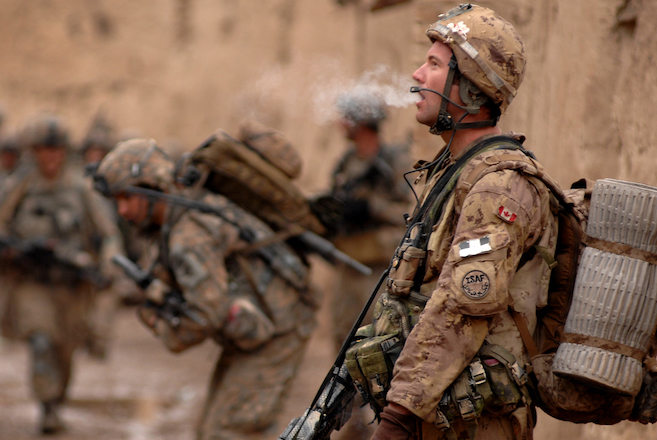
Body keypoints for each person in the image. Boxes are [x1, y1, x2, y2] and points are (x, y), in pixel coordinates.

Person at [345, 4, 555, 440]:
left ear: (474, 90)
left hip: (475, 426)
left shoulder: (498, 186)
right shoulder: (455, 170)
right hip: (438, 415)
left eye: (435, 64)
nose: (418, 74)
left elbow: (462, 309)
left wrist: (397, 417)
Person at [93, 138, 317, 440]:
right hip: (258, 329)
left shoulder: (188, 234)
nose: (121, 210)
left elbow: (205, 315)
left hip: (279, 331)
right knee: (213, 430)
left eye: (126, 197)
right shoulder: (179, 216)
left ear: (151, 188)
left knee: (229, 430)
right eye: (115, 200)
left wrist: (161, 325)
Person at [0, 115, 123, 434]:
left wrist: (108, 263)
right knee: (41, 340)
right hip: (34, 282)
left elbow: (109, 233)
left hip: (72, 285)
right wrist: (15, 247)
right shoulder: (21, 185)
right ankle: (46, 406)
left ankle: (57, 398)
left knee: (65, 350)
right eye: (44, 150)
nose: (50, 157)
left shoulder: (80, 187)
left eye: (56, 150)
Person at [327, 91, 412, 440]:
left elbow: (409, 218)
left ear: (361, 122)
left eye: (346, 117)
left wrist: (371, 208)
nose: (339, 124)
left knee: (379, 355)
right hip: (349, 269)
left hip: (379, 275)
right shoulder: (347, 162)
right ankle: (351, 430)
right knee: (342, 355)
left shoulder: (393, 163)